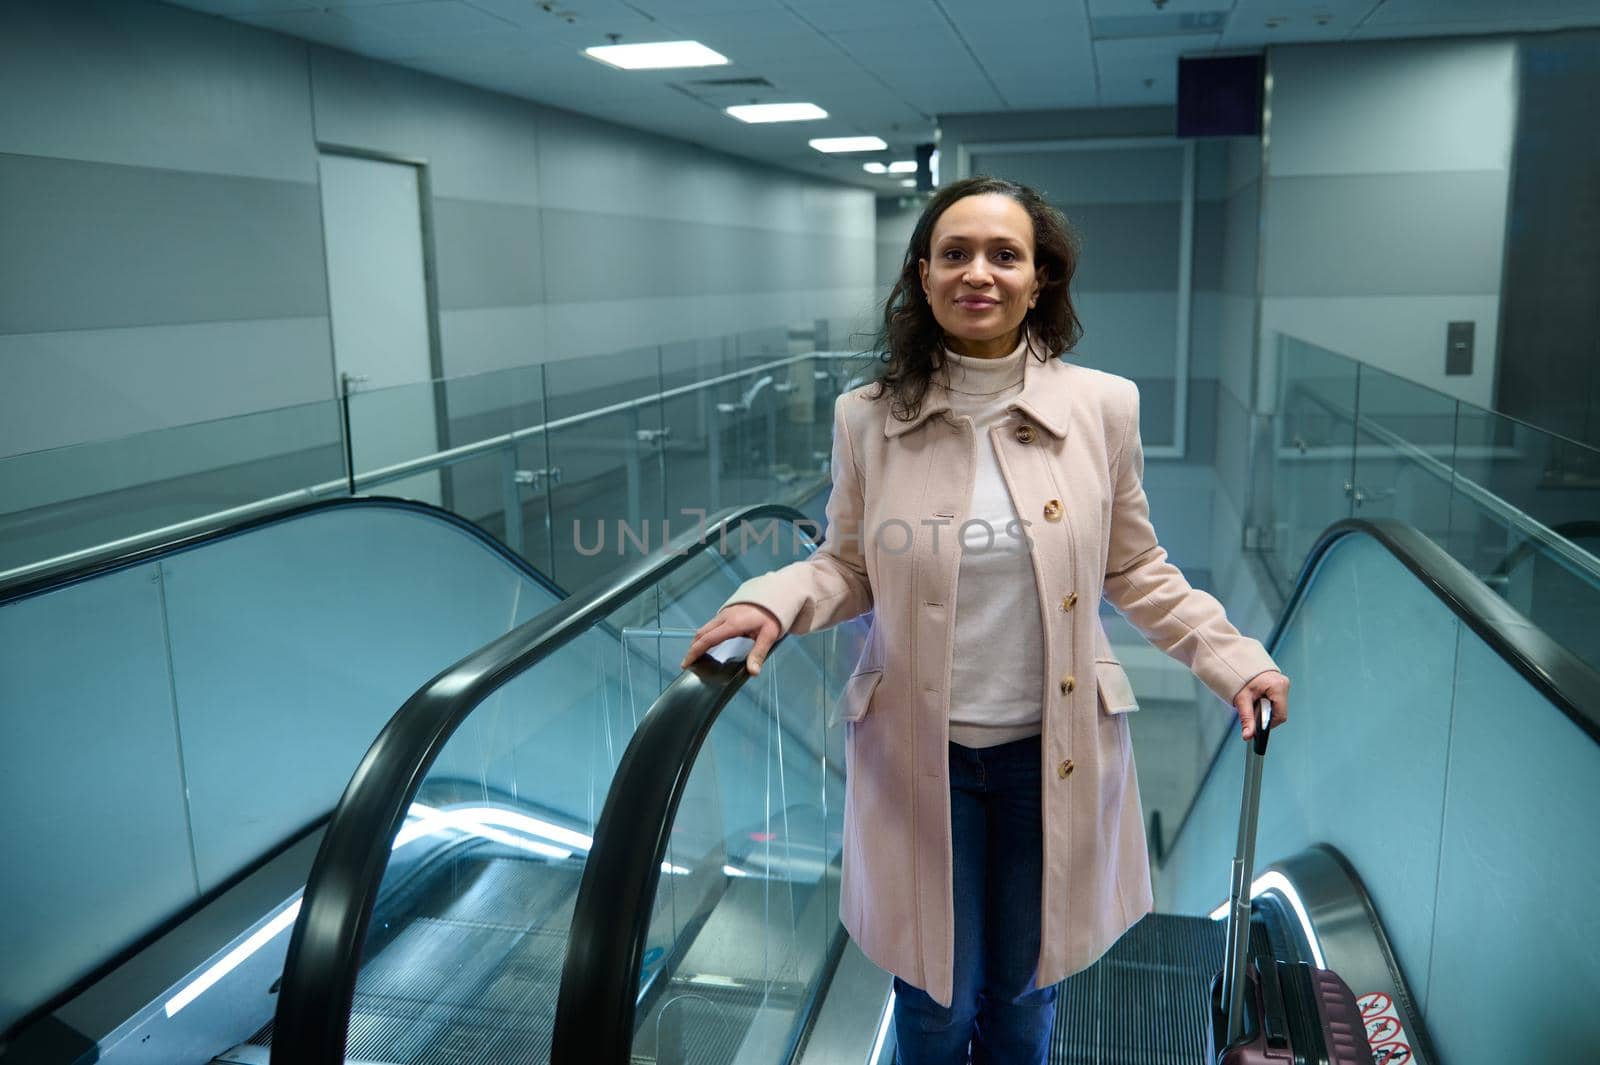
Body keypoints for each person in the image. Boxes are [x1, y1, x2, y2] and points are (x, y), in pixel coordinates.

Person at [679, 176, 1290, 1064]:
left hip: (1055, 755)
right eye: (955, 254)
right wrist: (771, 598)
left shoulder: (1103, 408)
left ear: (1040, 279)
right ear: (922, 277)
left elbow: (1135, 567)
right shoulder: (869, 416)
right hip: (921, 757)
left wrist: (1232, 658)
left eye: (1006, 255)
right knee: (933, 998)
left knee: (1022, 995)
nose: (980, 273)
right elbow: (848, 562)